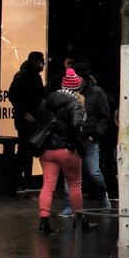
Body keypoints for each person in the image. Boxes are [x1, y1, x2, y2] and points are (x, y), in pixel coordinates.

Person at [35, 68, 91, 232]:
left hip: (47, 150)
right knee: (75, 185)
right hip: (67, 150)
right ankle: (78, 220)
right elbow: (76, 127)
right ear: (76, 88)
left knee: (48, 186)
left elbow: (40, 122)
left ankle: (44, 221)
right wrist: (75, 145)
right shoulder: (75, 104)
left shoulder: (46, 101)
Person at [76, 64, 113, 212]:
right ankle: (70, 207)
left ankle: (104, 199)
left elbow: (104, 116)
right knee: (71, 175)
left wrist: (95, 134)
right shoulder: (72, 93)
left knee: (93, 172)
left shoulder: (97, 93)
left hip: (89, 137)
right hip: (76, 138)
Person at [8, 51, 46, 190]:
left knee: (28, 148)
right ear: (34, 61)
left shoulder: (34, 76)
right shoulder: (24, 76)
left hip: (32, 117)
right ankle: (20, 178)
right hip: (25, 118)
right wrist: (24, 113)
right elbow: (13, 95)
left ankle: (25, 179)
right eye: (41, 61)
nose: (43, 64)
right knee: (25, 148)